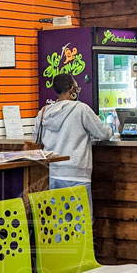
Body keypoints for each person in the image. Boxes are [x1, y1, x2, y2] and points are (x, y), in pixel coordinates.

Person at [33, 73, 112, 207]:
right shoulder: (81, 109)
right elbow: (104, 133)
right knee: (80, 223)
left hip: (52, 174)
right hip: (77, 174)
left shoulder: (43, 112)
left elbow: (36, 139)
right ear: (72, 89)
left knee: (59, 222)